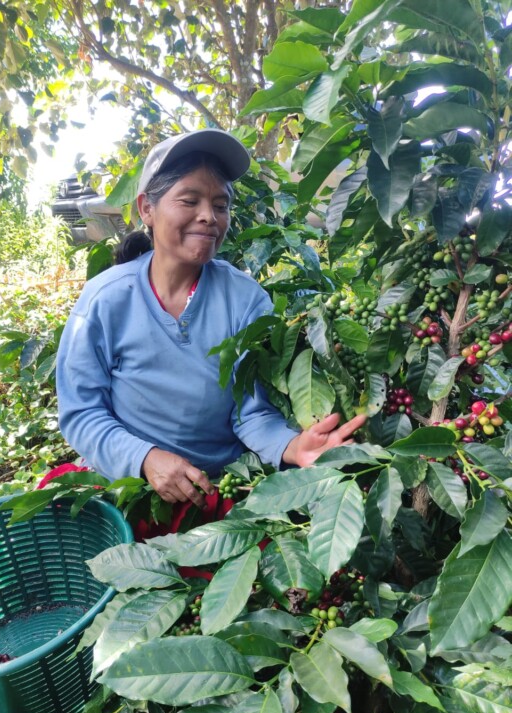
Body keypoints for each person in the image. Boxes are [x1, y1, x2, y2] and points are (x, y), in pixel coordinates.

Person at [56, 129, 366, 509]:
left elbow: (250, 411)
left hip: (213, 488)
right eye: (189, 200)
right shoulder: (105, 300)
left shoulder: (245, 300)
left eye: (220, 205)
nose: (208, 216)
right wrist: (145, 458)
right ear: (147, 209)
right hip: (123, 482)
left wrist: (292, 446)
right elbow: (82, 412)